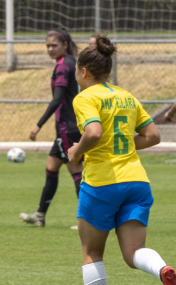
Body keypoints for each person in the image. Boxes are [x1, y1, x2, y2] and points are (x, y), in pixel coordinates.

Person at [68, 34, 175, 285]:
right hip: (137, 182)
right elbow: (152, 136)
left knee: (92, 253)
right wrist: (123, 145)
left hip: (102, 183)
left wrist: (77, 151)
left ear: (83, 71)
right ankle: (162, 269)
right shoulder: (126, 96)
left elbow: (93, 132)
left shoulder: (84, 97)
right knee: (134, 252)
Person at [20, 27, 84, 229]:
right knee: (51, 168)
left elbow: (57, 99)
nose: (49, 49)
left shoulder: (64, 65)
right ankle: (40, 215)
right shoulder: (69, 62)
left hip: (67, 127)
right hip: (65, 127)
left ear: (65, 44)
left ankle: (86, 221)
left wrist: (37, 125)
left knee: (77, 173)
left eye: (54, 45)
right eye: (47, 45)